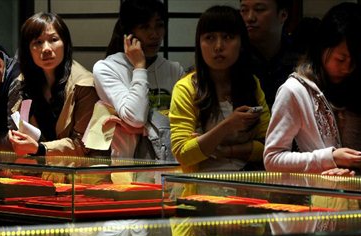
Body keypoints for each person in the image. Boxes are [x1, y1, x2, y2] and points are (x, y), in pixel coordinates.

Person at [264, 3, 361, 178]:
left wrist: (358, 172)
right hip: (315, 200)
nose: (347, 68)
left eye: (355, 61)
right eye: (341, 59)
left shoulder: (358, 88)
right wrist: (330, 158)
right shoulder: (295, 90)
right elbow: (272, 159)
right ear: (322, 47)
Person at [170, 5, 269, 173]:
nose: (218, 46)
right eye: (209, 38)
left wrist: (223, 150)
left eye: (228, 37)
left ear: (241, 43)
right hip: (200, 189)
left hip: (248, 185)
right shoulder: (186, 88)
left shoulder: (251, 84)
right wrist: (227, 126)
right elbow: (183, 153)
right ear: (199, 44)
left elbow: (269, 146)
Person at [92, 0, 184, 159]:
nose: (154, 34)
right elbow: (136, 118)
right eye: (144, 27)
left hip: (171, 166)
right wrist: (140, 67)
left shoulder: (174, 70)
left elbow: (185, 124)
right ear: (129, 32)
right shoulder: (107, 68)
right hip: (128, 169)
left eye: (159, 25)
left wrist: (144, 129)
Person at [8, 12, 99, 157]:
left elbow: (84, 144)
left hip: (80, 172)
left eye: (53, 39)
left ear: (65, 43)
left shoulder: (84, 85)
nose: (46, 49)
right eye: (38, 42)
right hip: (39, 173)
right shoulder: (22, 82)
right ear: (28, 49)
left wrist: (41, 149)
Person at [239, 0, 299, 109]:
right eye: (244, 10)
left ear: (283, 15)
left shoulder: (301, 59)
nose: (249, 18)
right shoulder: (234, 58)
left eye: (259, 9)